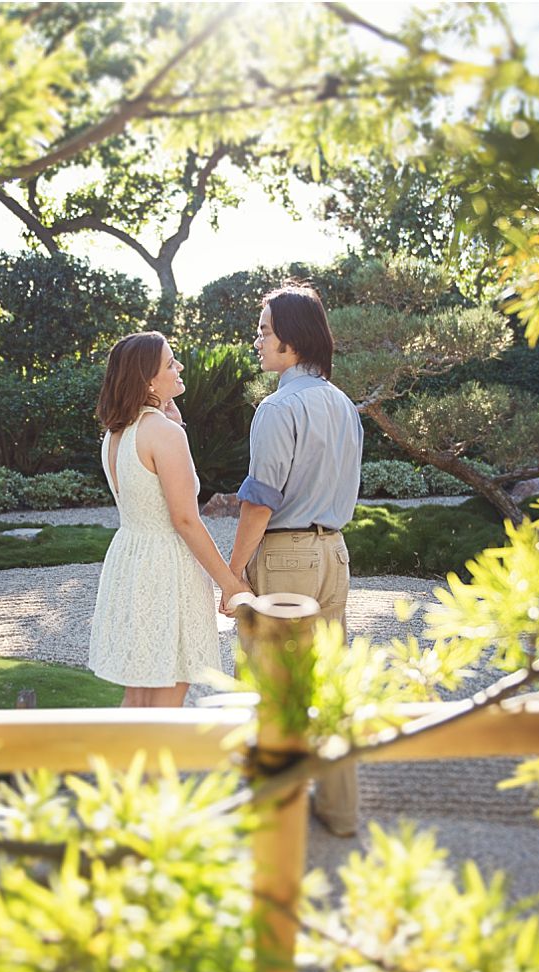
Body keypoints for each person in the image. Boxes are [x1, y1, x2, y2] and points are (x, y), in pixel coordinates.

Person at [222, 283, 364, 836]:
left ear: (292, 342)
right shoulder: (344, 405)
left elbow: (260, 501)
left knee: (272, 686)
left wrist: (233, 573)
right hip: (335, 554)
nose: (257, 341)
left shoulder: (278, 407)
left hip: (285, 558)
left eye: (264, 330)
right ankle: (341, 811)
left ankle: (272, 817)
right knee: (329, 688)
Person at [88, 332, 249, 708]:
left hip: (130, 563)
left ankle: (125, 766)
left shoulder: (116, 434)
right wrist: (230, 584)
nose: (178, 368)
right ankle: (155, 766)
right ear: (147, 380)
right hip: (164, 570)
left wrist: (170, 416)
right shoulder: (163, 433)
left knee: (139, 694)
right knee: (166, 697)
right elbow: (185, 520)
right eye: (170, 363)